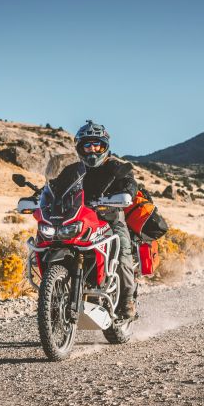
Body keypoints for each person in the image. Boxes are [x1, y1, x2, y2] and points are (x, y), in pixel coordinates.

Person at [55, 120, 138, 319]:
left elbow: (130, 184)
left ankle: (127, 300)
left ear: (104, 146)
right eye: (87, 145)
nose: (92, 149)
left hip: (110, 219)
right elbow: (55, 188)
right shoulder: (72, 171)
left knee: (123, 251)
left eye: (96, 145)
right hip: (82, 219)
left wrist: (126, 193)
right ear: (80, 148)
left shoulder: (115, 167)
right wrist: (39, 197)